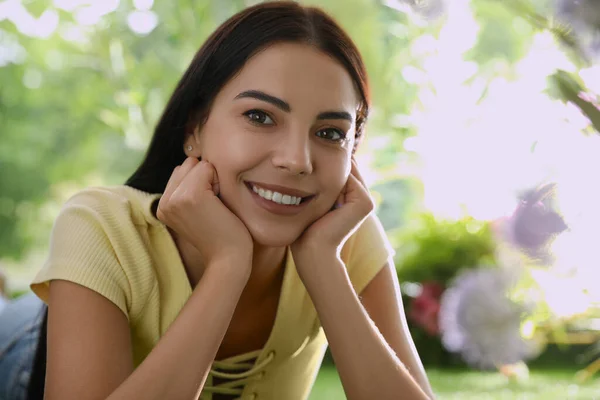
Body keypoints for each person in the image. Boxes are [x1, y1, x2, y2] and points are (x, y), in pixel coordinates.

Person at [13, 2, 435, 399]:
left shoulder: (344, 239)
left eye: (329, 133)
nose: (296, 161)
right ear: (195, 127)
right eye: (260, 116)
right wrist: (229, 264)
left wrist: (325, 265)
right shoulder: (101, 225)